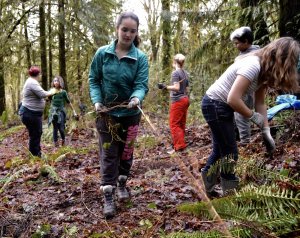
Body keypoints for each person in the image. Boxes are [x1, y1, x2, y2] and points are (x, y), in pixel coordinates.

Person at [200, 37, 300, 197]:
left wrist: (266, 129)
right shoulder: (253, 65)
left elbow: (260, 103)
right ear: (280, 58)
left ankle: (208, 187)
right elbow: (233, 99)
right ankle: (230, 194)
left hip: (219, 105)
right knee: (230, 153)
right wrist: (254, 117)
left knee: (220, 149)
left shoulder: (264, 71)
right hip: (214, 104)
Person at [88, 12, 149, 218]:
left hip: (131, 114)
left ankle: (122, 183)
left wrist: (136, 98)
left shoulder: (140, 58)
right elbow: (94, 79)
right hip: (106, 114)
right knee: (109, 152)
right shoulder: (102, 54)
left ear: (136, 32)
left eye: (132, 31)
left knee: (126, 151)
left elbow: (141, 84)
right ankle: (108, 193)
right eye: (125, 30)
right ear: (117, 29)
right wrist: (97, 101)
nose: (128, 34)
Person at [230, 26, 260, 145]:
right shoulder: (247, 53)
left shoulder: (253, 55)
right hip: (239, 91)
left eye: (237, 43)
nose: (235, 46)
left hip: (246, 91)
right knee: (237, 115)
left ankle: (245, 141)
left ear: (246, 41)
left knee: (241, 115)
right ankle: (239, 138)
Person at [19, 66, 57, 157]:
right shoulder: (32, 82)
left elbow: (37, 96)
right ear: (38, 74)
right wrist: (53, 91)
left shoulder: (31, 81)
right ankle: (35, 156)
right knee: (35, 134)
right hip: (30, 113)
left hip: (31, 113)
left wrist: (45, 100)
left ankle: (35, 154)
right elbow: (42, 94)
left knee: (36, 133)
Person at [157, 53, 189, 153]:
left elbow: (176, 88)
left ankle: (179, 146)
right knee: (181, 123)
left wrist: (165, 87)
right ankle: (181, 143)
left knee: (174, 124)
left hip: (178, 100)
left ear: (174, 62)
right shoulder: (185, 73)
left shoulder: (175, 73)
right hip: (185, 99)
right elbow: (187, 89)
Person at [48, 76, 77, 147]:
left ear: (60, 82)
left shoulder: (63, 92)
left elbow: (68, 102)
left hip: (61, 111)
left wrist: (74, 111)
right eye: (54, 81)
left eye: (57, 81)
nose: (56, 82)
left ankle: (63, 140)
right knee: (55, 128)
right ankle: (56, 143)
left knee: (61, 128)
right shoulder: (51, 91)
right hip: (53, 112)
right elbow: (48, 100)